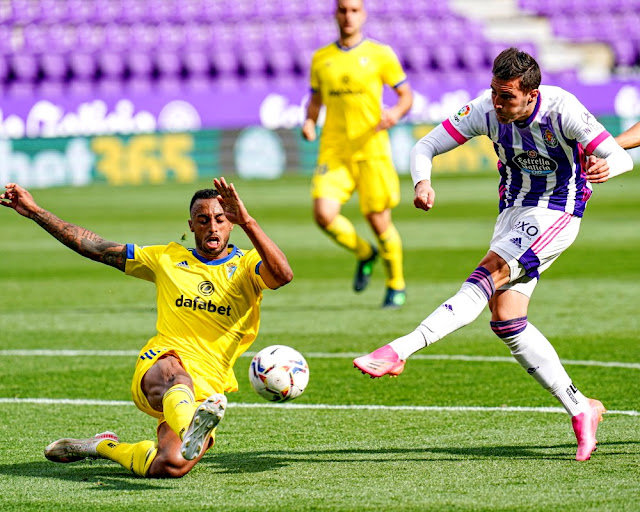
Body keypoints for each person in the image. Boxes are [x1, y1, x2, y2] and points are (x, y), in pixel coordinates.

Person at [353, 48, 634, 461]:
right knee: (506, 320)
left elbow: (619, 155)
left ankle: (400, 349)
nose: (498, 103)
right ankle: (581, 408)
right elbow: (425, 146)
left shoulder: (563, 110)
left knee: (487, 276)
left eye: (508, 97)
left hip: (558, 210)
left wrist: (608, 168)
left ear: (532, 94)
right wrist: (421, 183)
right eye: (495, 93)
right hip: (513, 213)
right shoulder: (485, 109)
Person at [0, 177, 293, 478]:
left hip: (208, 387)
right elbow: (94, 246)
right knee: (176, 375)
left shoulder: (248, 266)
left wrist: (247, 220)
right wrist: (35, 211)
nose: (213, 227)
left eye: (221, 219)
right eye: (203, 220)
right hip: (162, 362)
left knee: (170, 466)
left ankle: (101, 447)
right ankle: (189, 425)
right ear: (191, 225)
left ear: (230, 222)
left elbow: (283, 275)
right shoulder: (166, 258)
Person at [301, 0, 413, 308]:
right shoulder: (321, 58)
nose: (348, 16)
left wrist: (395, 114)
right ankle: (364, 252)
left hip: (371, 149)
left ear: (363, 14)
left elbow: (405, 95)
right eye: (342, 10)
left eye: (354, 10)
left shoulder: (381, 54)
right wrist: (310, 122)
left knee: (378, 220)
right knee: (324, 215)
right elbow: (315, 99)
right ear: (335, 14)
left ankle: (396, 285)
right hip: (335, 150)